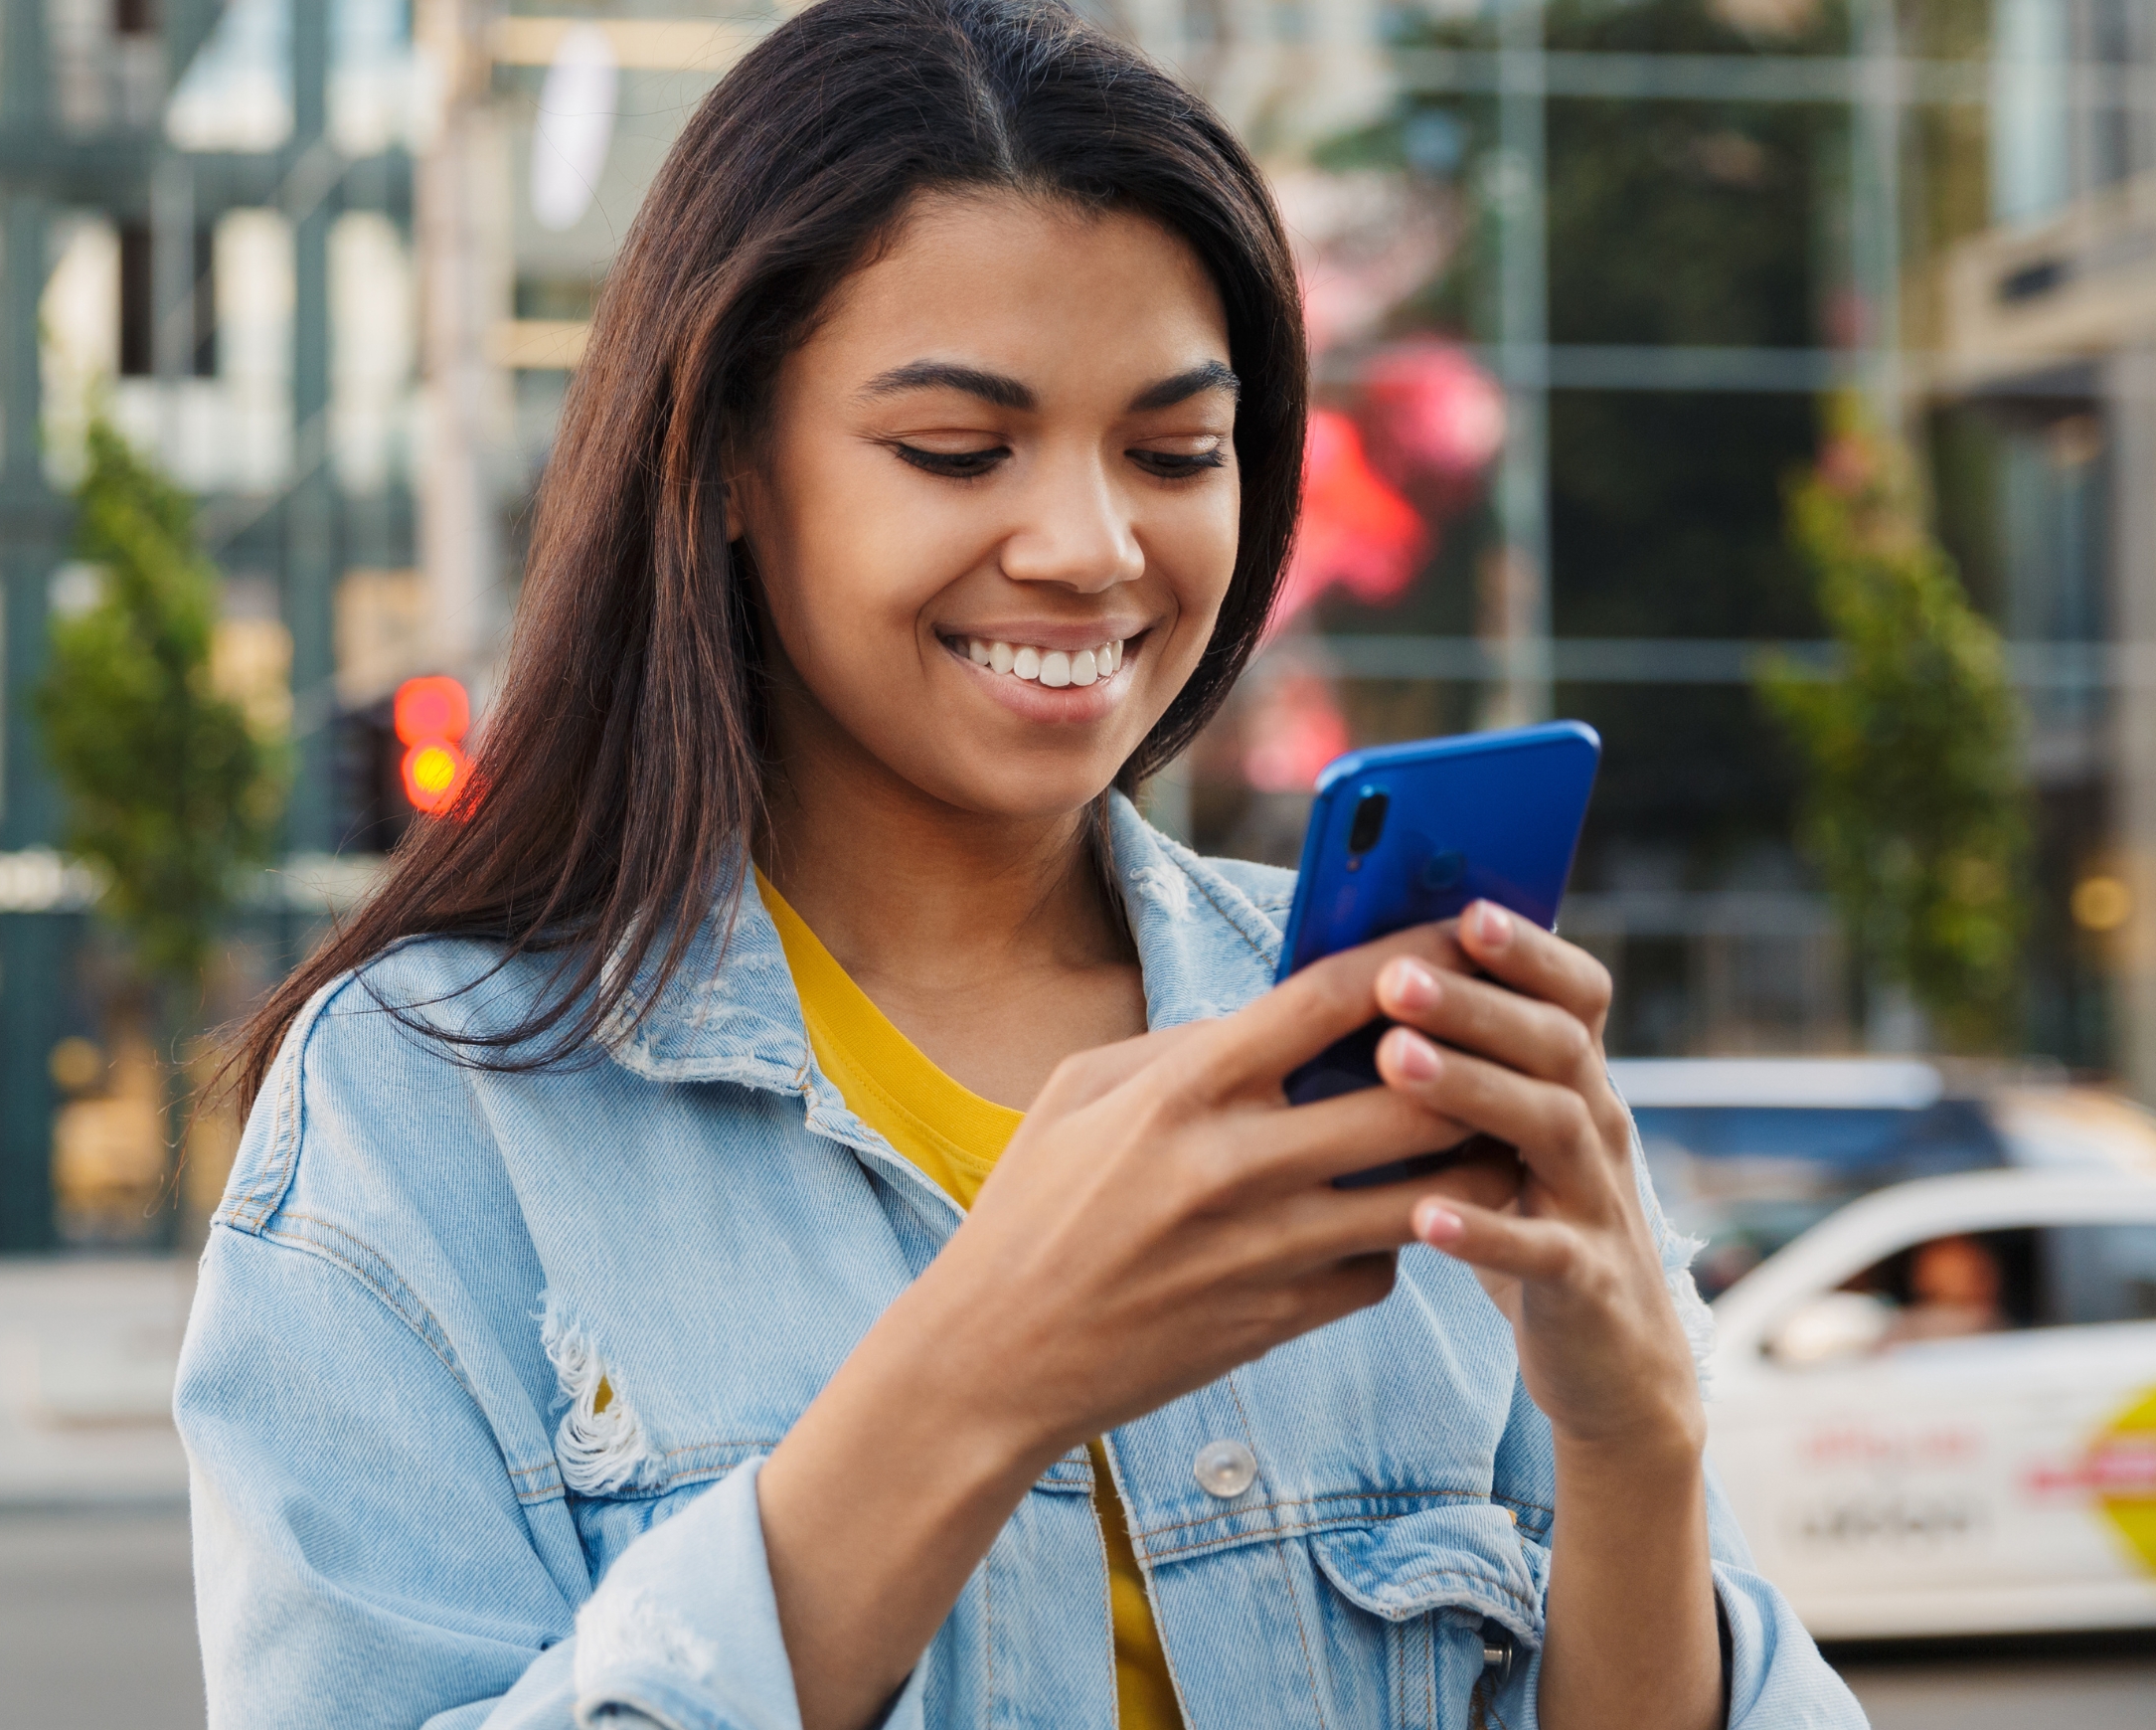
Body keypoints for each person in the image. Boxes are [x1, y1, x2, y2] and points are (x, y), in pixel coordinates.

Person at [170, 3, 1862, 1726]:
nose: (1089, 546)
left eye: (1174, 452)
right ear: (730, 465)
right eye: (956, 451)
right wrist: (973, 1381)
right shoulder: (424, 1106)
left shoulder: (1379, 1035)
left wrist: (1635, 1444)